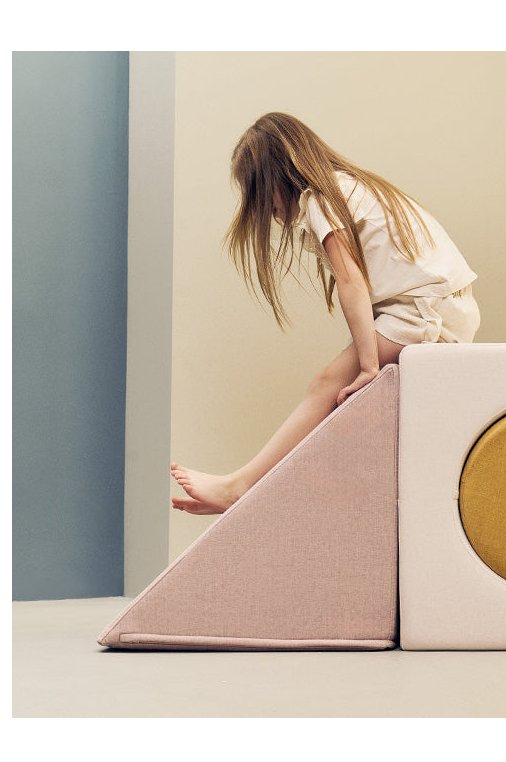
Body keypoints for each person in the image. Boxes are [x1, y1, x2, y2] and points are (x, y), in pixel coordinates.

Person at [170, 112, 480, 515]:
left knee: (327, 384)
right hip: (439, 304)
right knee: (345, 400)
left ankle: (240, 487)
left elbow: (351, 282)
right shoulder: (345, 188)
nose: (266, 210)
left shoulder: (322, 198)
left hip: (425, 310)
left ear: (279, 176)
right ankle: (248, 489)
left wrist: (368, 367)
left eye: (260, 194)